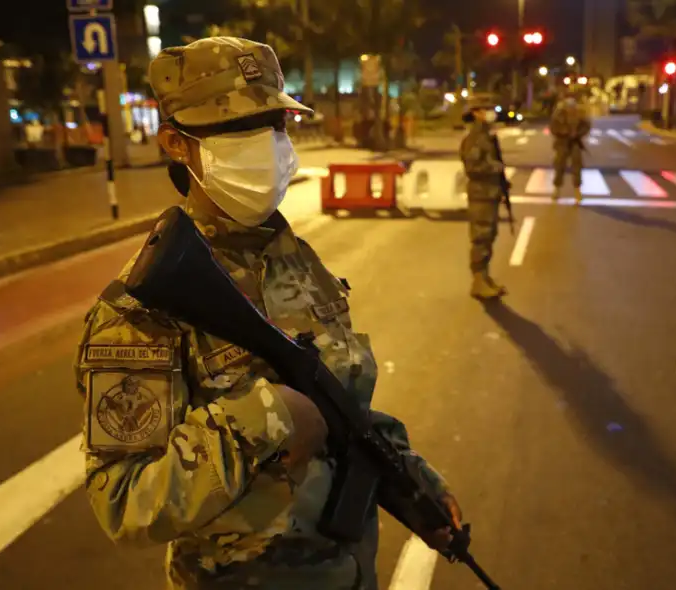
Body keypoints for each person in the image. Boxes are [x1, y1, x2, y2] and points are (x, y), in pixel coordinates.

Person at [73, 36, 462, 590]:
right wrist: (265, 417)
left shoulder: (294, 259)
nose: (266, 145)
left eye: (276, 125)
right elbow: (124, 501)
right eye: (234, 130)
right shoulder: (143, 308)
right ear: (176, 145)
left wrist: (411, 478)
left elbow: (339, 402)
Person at [459, 95, 508, 300]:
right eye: (486, 109)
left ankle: (485, 277)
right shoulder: (475, 137)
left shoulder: (487, 135)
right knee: (481, 237)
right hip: (481, 194)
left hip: (489, 192)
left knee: (489, 236)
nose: (491, 112)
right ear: (476, 112)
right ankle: (478, 281)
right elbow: (473, 167)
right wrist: (495, 168)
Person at [548, 89, 592, 199]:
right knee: (559, 166)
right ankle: (556, 189)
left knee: (577, 166)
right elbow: (553, 127)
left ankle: (577, 191)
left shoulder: (580, 112)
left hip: (575, 143)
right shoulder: (559, 112)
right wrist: (564, 132)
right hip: (562, 142)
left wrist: (577, 134)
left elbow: (586, 125)